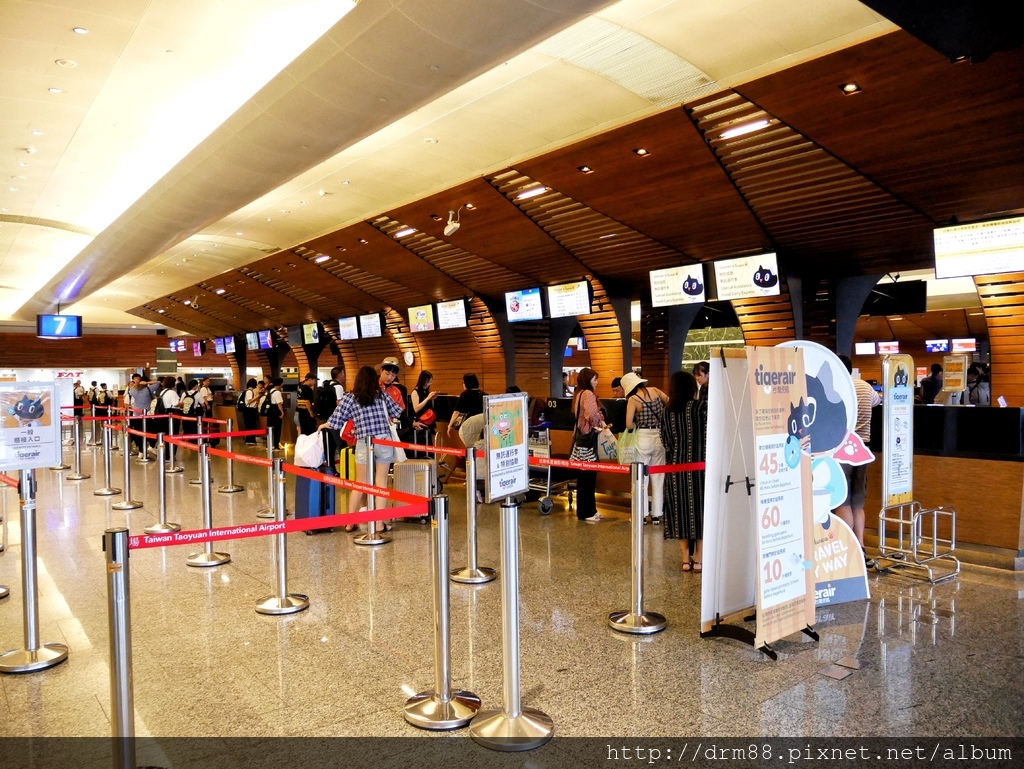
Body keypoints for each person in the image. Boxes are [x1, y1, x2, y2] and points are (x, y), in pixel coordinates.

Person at [321, 365, 404, 533]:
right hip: (384, 441)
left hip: (363, 443)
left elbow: (335, 421)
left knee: (360, 483)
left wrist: (324, 425)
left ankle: (350, 522)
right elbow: (398, 411)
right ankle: (379, 523)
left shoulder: (350, 398)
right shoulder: (381, 395)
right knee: (381, 482)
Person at [834, 355, 882, 567]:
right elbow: (877, 401)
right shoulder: (864, 387)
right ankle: (861, 546)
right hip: (863, 449)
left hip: (842, 449)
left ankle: (849, 548)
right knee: (857, 500)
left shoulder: (836, 387)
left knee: (842, 500)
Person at [661, 370, 708, 572]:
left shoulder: (667, 412)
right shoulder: (700, 408)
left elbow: (666, 442)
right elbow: (709, 435)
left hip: (676, 469)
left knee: (680, 512)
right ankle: (698, 557)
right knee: (700, 511)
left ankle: (684, 560)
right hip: (700, 468)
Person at [622, 372, 669, 524]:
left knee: (641, 478)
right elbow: (669, 401)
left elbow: (629, 424)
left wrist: (639, 424)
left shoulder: (633, 399)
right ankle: (656, 514)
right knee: (658, 476)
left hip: (642, 437)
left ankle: (641, 515)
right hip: (659, 436)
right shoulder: (655, 391)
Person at [571, 368, 605, 523]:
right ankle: (586, 512)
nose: (596, 382)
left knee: (584, 477)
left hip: (581, 440)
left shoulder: (578, 394)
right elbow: (590, 415)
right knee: (588, 477)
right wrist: (600, 422)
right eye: (594, 379)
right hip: (588, 440)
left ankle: (590, 509)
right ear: (588, 380)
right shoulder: (588, 394)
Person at [409, 370, 438, 458]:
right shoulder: (415, 391)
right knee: (423, 444)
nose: (429, 384)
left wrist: (431, 399)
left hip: (429, 421)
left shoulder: (426, 391)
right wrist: (427, 399)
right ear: (423, 380)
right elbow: (416, 408)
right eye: (428, 382)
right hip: (421, 421)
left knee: (430, 444)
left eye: (430, 382)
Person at [447, 373, 485, 439]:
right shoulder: (483, 394)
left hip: (469, 425)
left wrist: (449, 426)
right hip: (481, 425)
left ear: (466, 383)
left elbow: (456, 412)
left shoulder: (464, 395)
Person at [267, 376, 285, 450]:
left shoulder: (271, 391)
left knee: (270, 428)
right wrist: (282, 412)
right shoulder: (277, 392)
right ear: (280, 384)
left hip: (270, 411)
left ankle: (270, 445)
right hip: (276, 411)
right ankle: (276, 445)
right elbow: (279, 403)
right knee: (277, 429)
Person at [242, 378, 260, 444]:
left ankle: (250, 439)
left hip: (248, 410)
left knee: (250, 425)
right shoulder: (249, 392)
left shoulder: (248, 391)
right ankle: (250, 440)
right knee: (251, 425)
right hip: (249, 410)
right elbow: (249, 401)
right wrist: (256, 397)